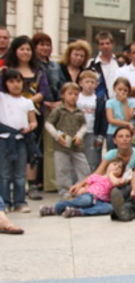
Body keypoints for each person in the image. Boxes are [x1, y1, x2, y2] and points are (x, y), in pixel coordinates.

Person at [4, 35, 51, 202]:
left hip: (33, 115)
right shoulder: (7, 69)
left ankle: (31, 185)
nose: (25, 52)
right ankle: (8, 186)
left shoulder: (38, 71)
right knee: (9, 150)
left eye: (28, 49)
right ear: (15, 50)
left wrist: (25, 102)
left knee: (31, 150)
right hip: (8, 118)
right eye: (22, 49)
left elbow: (43, 92)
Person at [0, 68, 38, 213]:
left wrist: (30, 127)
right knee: (4, 173)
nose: (15, 85)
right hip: (4, 140)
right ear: (5, 83)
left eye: (18, 81)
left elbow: (33, 121)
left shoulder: (27, 102)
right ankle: (5, 202)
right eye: (11, 81)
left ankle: (20, 202)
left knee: (20, 174)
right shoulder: (2, 98)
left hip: (21, 140)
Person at [44, 82, 88, 198]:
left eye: (76, 94)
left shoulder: (79, 111)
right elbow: (48, 124)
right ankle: (65, 191)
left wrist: (79, 135)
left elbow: (84, 125)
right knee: (62, 168)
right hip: (61, 145)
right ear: (63, 95)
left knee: (83, 167)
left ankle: (83, 188)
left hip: (77, 145)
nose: (73, 96)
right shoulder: (58, 110)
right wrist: (57, 136)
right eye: (70, 94)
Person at [39, 158, 124, 217]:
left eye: (119, 167)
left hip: (100, 201)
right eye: (114, 164)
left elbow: (115, 183)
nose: (116, 167)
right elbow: (87, 185)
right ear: (108, 165)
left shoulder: (117, 179)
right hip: (89, 196)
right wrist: (83, 189)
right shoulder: (97, 176)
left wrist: (111, 174)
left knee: (109, 208)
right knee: (86, 200)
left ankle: (78, 212)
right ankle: (56, 208)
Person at [75, 70, 106, 171]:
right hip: (77, 132)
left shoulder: (99, 100)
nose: (90, 85)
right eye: (87, 82)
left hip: (92, 132)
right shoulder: (76, 98)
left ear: (97, 84)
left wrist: (100, 136)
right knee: (76, 158)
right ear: (80, 83)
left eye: (92, 82)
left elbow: (102, 119)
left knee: (92, 160)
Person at [86, 31, 120, 99]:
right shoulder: (91, 64)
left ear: (112, 44)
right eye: (102, 44)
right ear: (98, 46)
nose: (105, 46)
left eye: (108, 43)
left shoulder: (120, 64)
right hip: (97, 103)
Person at [105, 77, 135, 149]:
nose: (122, 92)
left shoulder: (131, 103)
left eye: (125, 90)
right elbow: (111, 120)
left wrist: (125, 103)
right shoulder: (110, 102)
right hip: (112, 132)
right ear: (114, 89)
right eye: (120, 89)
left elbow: (128, 118)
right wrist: (127, 124)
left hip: (126, 133)